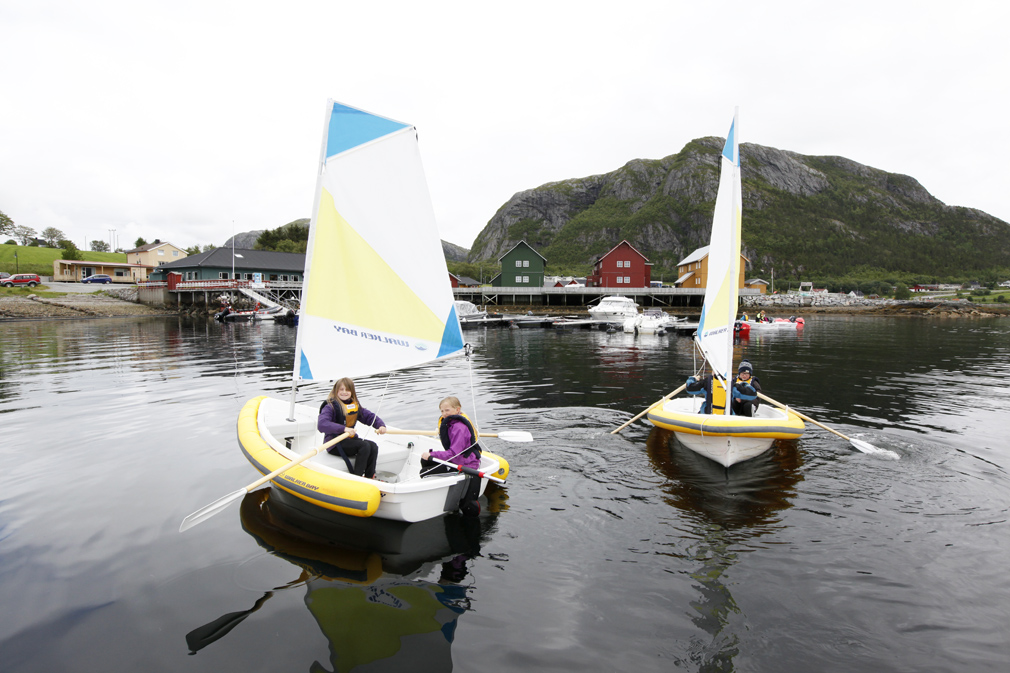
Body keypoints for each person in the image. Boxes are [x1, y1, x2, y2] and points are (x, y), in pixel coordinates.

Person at [421, 396, 483, 517]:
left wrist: (432, 454)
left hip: (464, 463)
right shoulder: (451, 424)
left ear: (457, 410)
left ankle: (439, 498)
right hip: (456, 460)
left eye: (447, 410)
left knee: (424, 472)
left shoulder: (459, 428)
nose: (444, 414)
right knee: (425, 461)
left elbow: (454, 453)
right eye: (442, 411)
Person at [317, 377, 386, 479]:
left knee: (373, 446)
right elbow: (322, 424)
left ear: (352, 392)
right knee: (364, 446)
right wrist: (343, 429)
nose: (344, 392)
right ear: (336, 391)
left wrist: (380, 425)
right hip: (334, 444)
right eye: (341, 389)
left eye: (347, 390)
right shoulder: (330, 406)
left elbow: (368, 416)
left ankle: (370, 477)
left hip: (349, 441)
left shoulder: (354, 405)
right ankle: (357, 478)